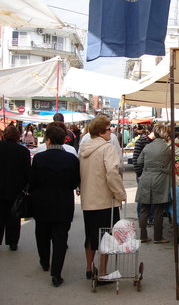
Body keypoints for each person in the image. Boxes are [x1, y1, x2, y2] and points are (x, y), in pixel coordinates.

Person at [29, 124, 80, 287]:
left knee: (42, 234)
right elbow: (74, 182)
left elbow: (32, 182)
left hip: (41, 202)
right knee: (60, 239)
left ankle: (44, 261)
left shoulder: (39, 158)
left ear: (48, 140)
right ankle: (56, 274)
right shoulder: (71, 159)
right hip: (63, 203)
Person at [79, 115, 126, 280]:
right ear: (100, 132)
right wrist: (121, 194)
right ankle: (104, 272)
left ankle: (89, 267)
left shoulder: (84, 149)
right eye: (108, 129)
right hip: (105, 201)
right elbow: (112, 173)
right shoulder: (107, 148)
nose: (110, 131)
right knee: (106, 237)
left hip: (88, 200)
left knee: (90, 236)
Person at [0, 126, 31, 251]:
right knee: (14, 216)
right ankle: (12, 242)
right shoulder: (23, 151)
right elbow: (27, 172)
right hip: (16, 189)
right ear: (18, 136)